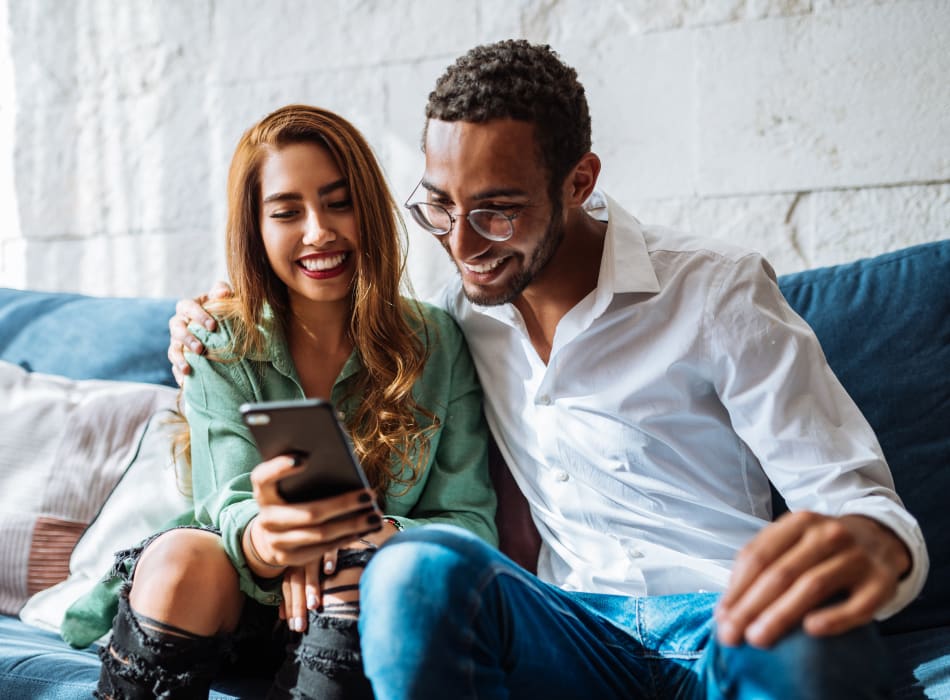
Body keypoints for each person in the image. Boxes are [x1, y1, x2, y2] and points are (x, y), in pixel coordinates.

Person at [171, 42, 928, 699]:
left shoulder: (716, 290)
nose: (462, 244)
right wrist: (213, 317)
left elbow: (856, 499)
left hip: (730, 621)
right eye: (439, 207)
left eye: (497, 210)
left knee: (807, 638)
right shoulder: (456, 321)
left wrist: (868, 544)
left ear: (578, 180)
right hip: (568, 631)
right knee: (413, 569)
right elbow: (324, 322)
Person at [78, 104, 497, 699]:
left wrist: (358, 536)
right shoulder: (217, 339)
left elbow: (470, 523)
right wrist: (273, 542)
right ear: (256, 227)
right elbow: (226, 499)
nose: (318, 231)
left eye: (337, 202)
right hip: (233, 593)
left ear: (370, 210)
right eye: (286, 211)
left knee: (356, 564)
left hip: (354, 604)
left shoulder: (436, 342)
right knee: (180, 560)